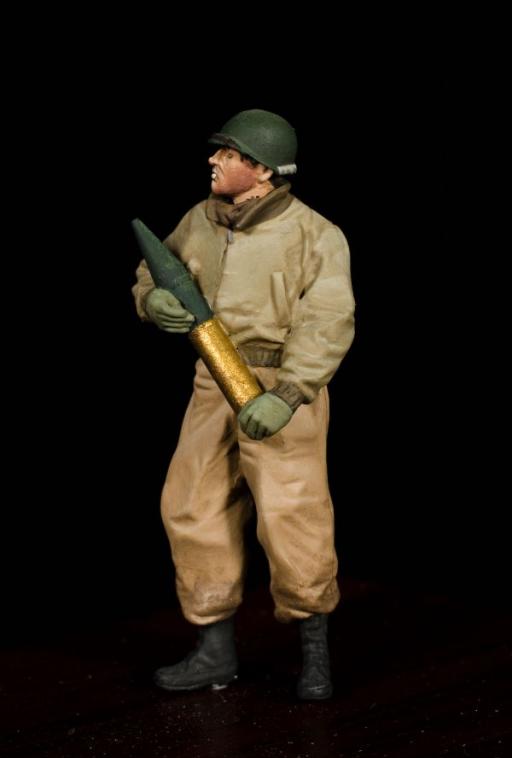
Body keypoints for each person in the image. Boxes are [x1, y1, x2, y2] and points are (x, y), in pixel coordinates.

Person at [132, 109, 355, 700]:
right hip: (213, 379)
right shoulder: (199, 220)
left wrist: (290, 393)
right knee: (192, 502)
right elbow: (154, 269)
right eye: (219, 152)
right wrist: (152, 301)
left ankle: (315, 652)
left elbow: (329, 319)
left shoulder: (315, 234)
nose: (214, 161)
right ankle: (214, 650)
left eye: (228, 154)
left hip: (281, 388)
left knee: (293, 513)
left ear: (262, 170)